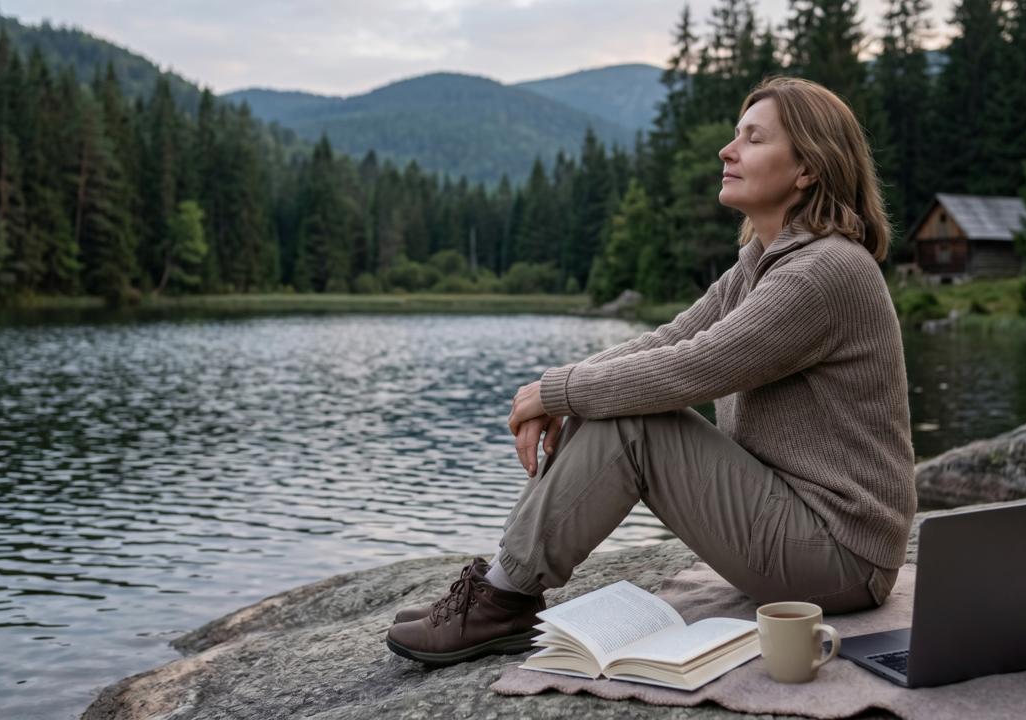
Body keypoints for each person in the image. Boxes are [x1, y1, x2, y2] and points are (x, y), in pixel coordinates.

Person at [385, 76, 916, 667]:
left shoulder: (824, 272)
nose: (727, 150)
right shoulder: (763, 264)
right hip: (796, 531)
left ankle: (502, 600)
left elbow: (695, 365)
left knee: (634, 421)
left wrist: (562, 392)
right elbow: (670, 338)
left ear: (807, 169)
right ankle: (500, 588)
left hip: (841, 560)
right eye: (734, 134)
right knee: (609, 397)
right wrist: (561, 389)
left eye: (753, 138)